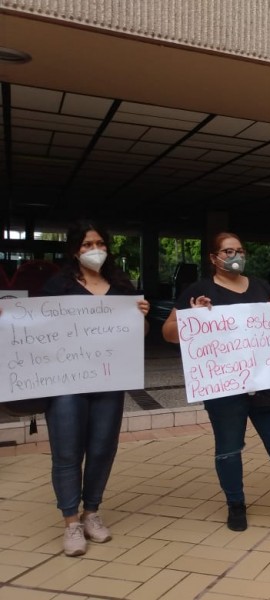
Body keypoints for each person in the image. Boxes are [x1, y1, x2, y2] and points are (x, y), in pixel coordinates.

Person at [162, 232, 270, 531]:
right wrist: (192, 316)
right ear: (213, 258)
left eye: (239, 250)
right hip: (224, 388)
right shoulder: (199, 291)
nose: (235, 256)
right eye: (228, 251)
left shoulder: (260, 286)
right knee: (229, 449)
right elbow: (168, 332)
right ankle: (236, 505)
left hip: (266, 384)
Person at [39, 220, 150, 557]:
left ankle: (92, 513)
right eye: (87, 244)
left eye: (99, 243)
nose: (94, 249)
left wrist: (142, 317)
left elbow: (139, 333)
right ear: (75, 250)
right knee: (68, 451)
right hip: (66, 383)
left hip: (110, 381)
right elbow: (37, 328)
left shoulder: (121, 286)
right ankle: (71, 522)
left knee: (102, 448)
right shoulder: (58, 286)